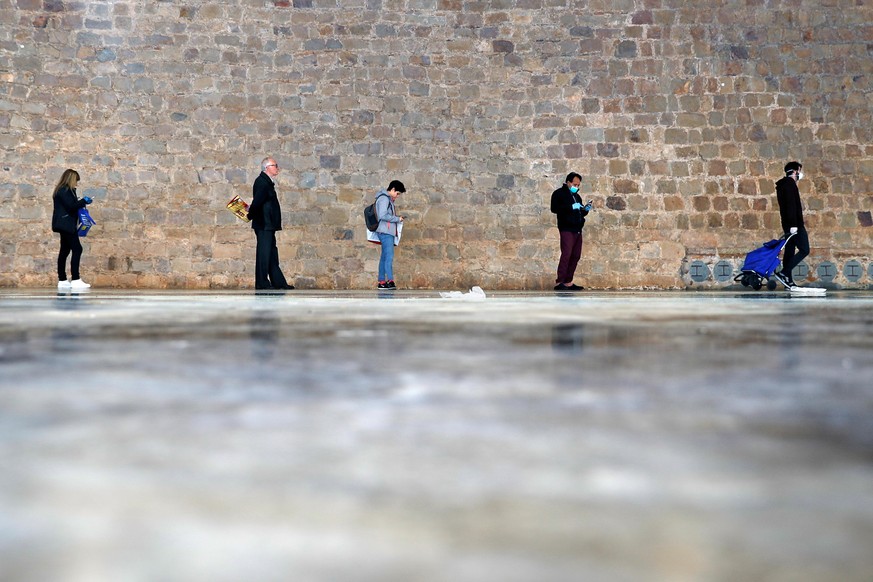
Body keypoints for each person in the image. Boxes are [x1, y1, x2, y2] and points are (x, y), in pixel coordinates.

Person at [247, 157, 294, 290]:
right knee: (264, 254)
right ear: (267, 168)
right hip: (264, 225)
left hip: (268, 225)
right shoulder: (262, 182)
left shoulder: (267, 182)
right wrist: (250, 215)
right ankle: (262, 283)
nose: (277, 168)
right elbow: (257, 203)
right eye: (275, 165)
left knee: (272, 254)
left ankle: (279, 282)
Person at [51, 169, 93, 290]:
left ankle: (63, 280)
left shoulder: (65, 190)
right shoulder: (64, 190)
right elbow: (71, 206)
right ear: (71, 179)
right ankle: (75, 279)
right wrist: (83, 201)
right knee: (77, 249)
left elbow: (71, 205)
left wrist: (81, 201)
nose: (77, 184)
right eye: (76, 181)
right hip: (66, 224)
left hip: (65, 224)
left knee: (64, 251)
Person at [550, 172, 591, 291]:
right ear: (568, 182)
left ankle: (568, 281)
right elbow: (554, 209)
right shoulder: (559, 194)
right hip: (566, 227)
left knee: (576, 255)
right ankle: (560, 281)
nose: (576, 187)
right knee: (566, 253)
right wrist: (571, 207)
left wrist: (585, 209)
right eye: (574, 184)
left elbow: (580, 211)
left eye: (578, 185)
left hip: (577, 228)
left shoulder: (577, 196)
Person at [773, 161, 808, 289]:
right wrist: (794, 225)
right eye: (799, 170)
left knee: (790, 251)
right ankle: (784, 273)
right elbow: (790, 206)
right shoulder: (789, 184)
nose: (800, 173)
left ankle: (788, 279)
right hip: (795, 224)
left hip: (788, 223)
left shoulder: (785, 184)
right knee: (804, 249)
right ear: (794, 171)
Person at [374, 180, 405, 289]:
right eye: (397, 193)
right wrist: (397, 219)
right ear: (392, 189)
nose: (397, 196)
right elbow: (383, 215)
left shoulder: (386, 199)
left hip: (385, 231)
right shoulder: (384, 199)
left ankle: (382, 281)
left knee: (384, 257)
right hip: (386, 232)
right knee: (389, 257)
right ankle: (390, 281)